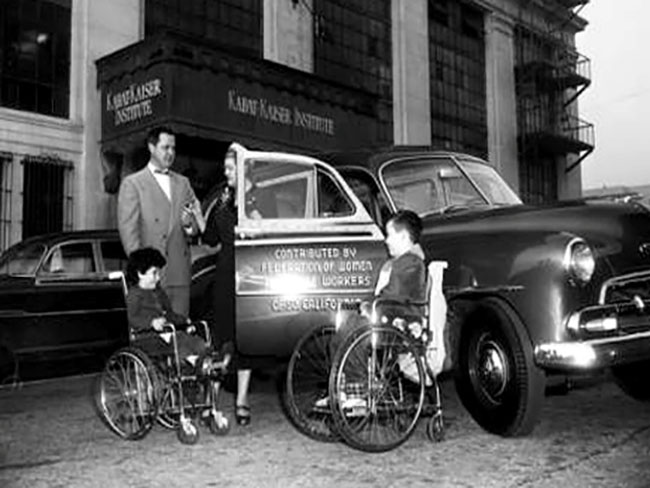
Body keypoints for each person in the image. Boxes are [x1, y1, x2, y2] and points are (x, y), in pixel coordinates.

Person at [125, 247, 230, 425]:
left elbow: (169, 313)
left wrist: (184, 321)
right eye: (154, 273)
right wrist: (150, 323)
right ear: (140, 274)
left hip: (168, 334)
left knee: (192, 339)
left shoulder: (158, 292)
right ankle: (198, 362)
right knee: (178, 343)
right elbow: (132, 318)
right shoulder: (134, 295)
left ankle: (209, 358)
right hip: (147, 337)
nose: (158, 278)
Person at [117, 126, 204, 317]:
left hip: (179, 274)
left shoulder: (184, 183)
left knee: (180, 331)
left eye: (173, 148)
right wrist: (144, 271)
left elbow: (196, 228)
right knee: (154, 336)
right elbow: (129, 233)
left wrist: (189, 225)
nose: (171, 153)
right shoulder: (133, 184)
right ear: (151, 147)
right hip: (151, 276)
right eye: (165, 147)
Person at [201, 142, 256, 426]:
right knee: (221, 338)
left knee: (244, 340)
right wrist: (195, 222)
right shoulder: (223, 200)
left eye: (231, 168)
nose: (227, 172)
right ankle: (212, 400)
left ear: (245, 169)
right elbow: (210, 239)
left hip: (248, 276)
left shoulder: (258, 201)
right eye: (225, 168)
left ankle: (242, 400)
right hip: (224, 276)